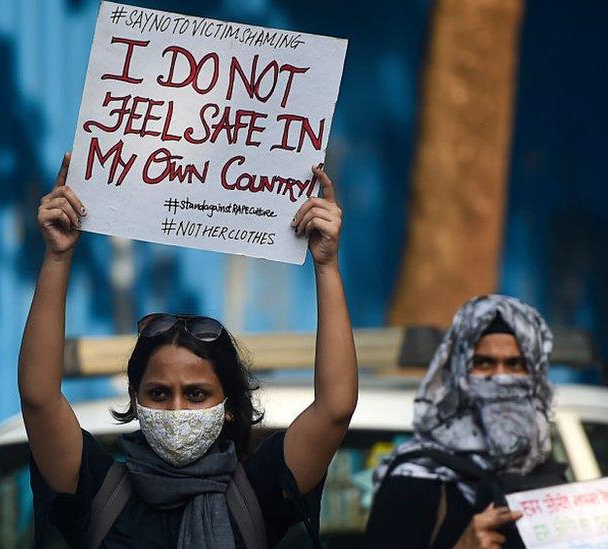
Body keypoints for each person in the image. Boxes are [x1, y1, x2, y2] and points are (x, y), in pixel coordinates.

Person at [19, 153, 358, 548]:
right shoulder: (98, 489)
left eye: (196, 394)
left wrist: (326, 265)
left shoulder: (256, 494)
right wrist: (58, 256)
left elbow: (335, 408)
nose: (176, 410)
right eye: (159, 393)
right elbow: (39, 398)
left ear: (228, 404)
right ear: (135, 398)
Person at [364, 294, 608, 549]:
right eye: (483, 363)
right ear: (456, 372)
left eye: (516, 364)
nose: (501, 376)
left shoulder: (544, 472)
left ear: (535, 375)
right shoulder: (416, 479)